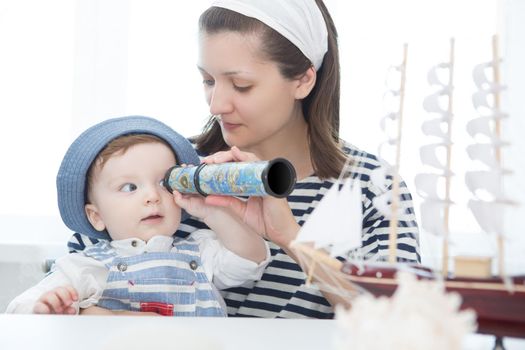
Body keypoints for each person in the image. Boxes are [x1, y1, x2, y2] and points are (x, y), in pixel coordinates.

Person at [69, 0, 420, 318]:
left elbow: (404, 320)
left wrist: (292, 239)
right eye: (208, 80)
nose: (216, 105)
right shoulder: (166, 170)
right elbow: (67, 292)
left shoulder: (372, 187)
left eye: (241, 86)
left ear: (302, 80)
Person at [6, 116, 270, 316]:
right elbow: (18, 308)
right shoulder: (86, 266)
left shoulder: (201, 251)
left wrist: (212, 210)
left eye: (164, 183)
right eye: (129, 187)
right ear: (96, 216)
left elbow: (251, 259)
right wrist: (49, 309)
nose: (152, 196)